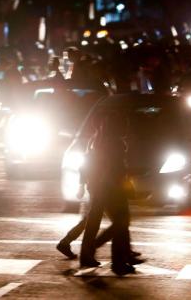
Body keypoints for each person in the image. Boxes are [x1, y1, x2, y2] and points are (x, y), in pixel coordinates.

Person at [78, 114, 135, 275]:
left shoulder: (99, 142)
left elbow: (87, 165)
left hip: (99, 186)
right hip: (111, 188)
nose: (127, 129)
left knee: (97, 221)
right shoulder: (115, 144)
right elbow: (117, 169)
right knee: (120, 223)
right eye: (125, 126)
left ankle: (91, 253)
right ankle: (114, 259)